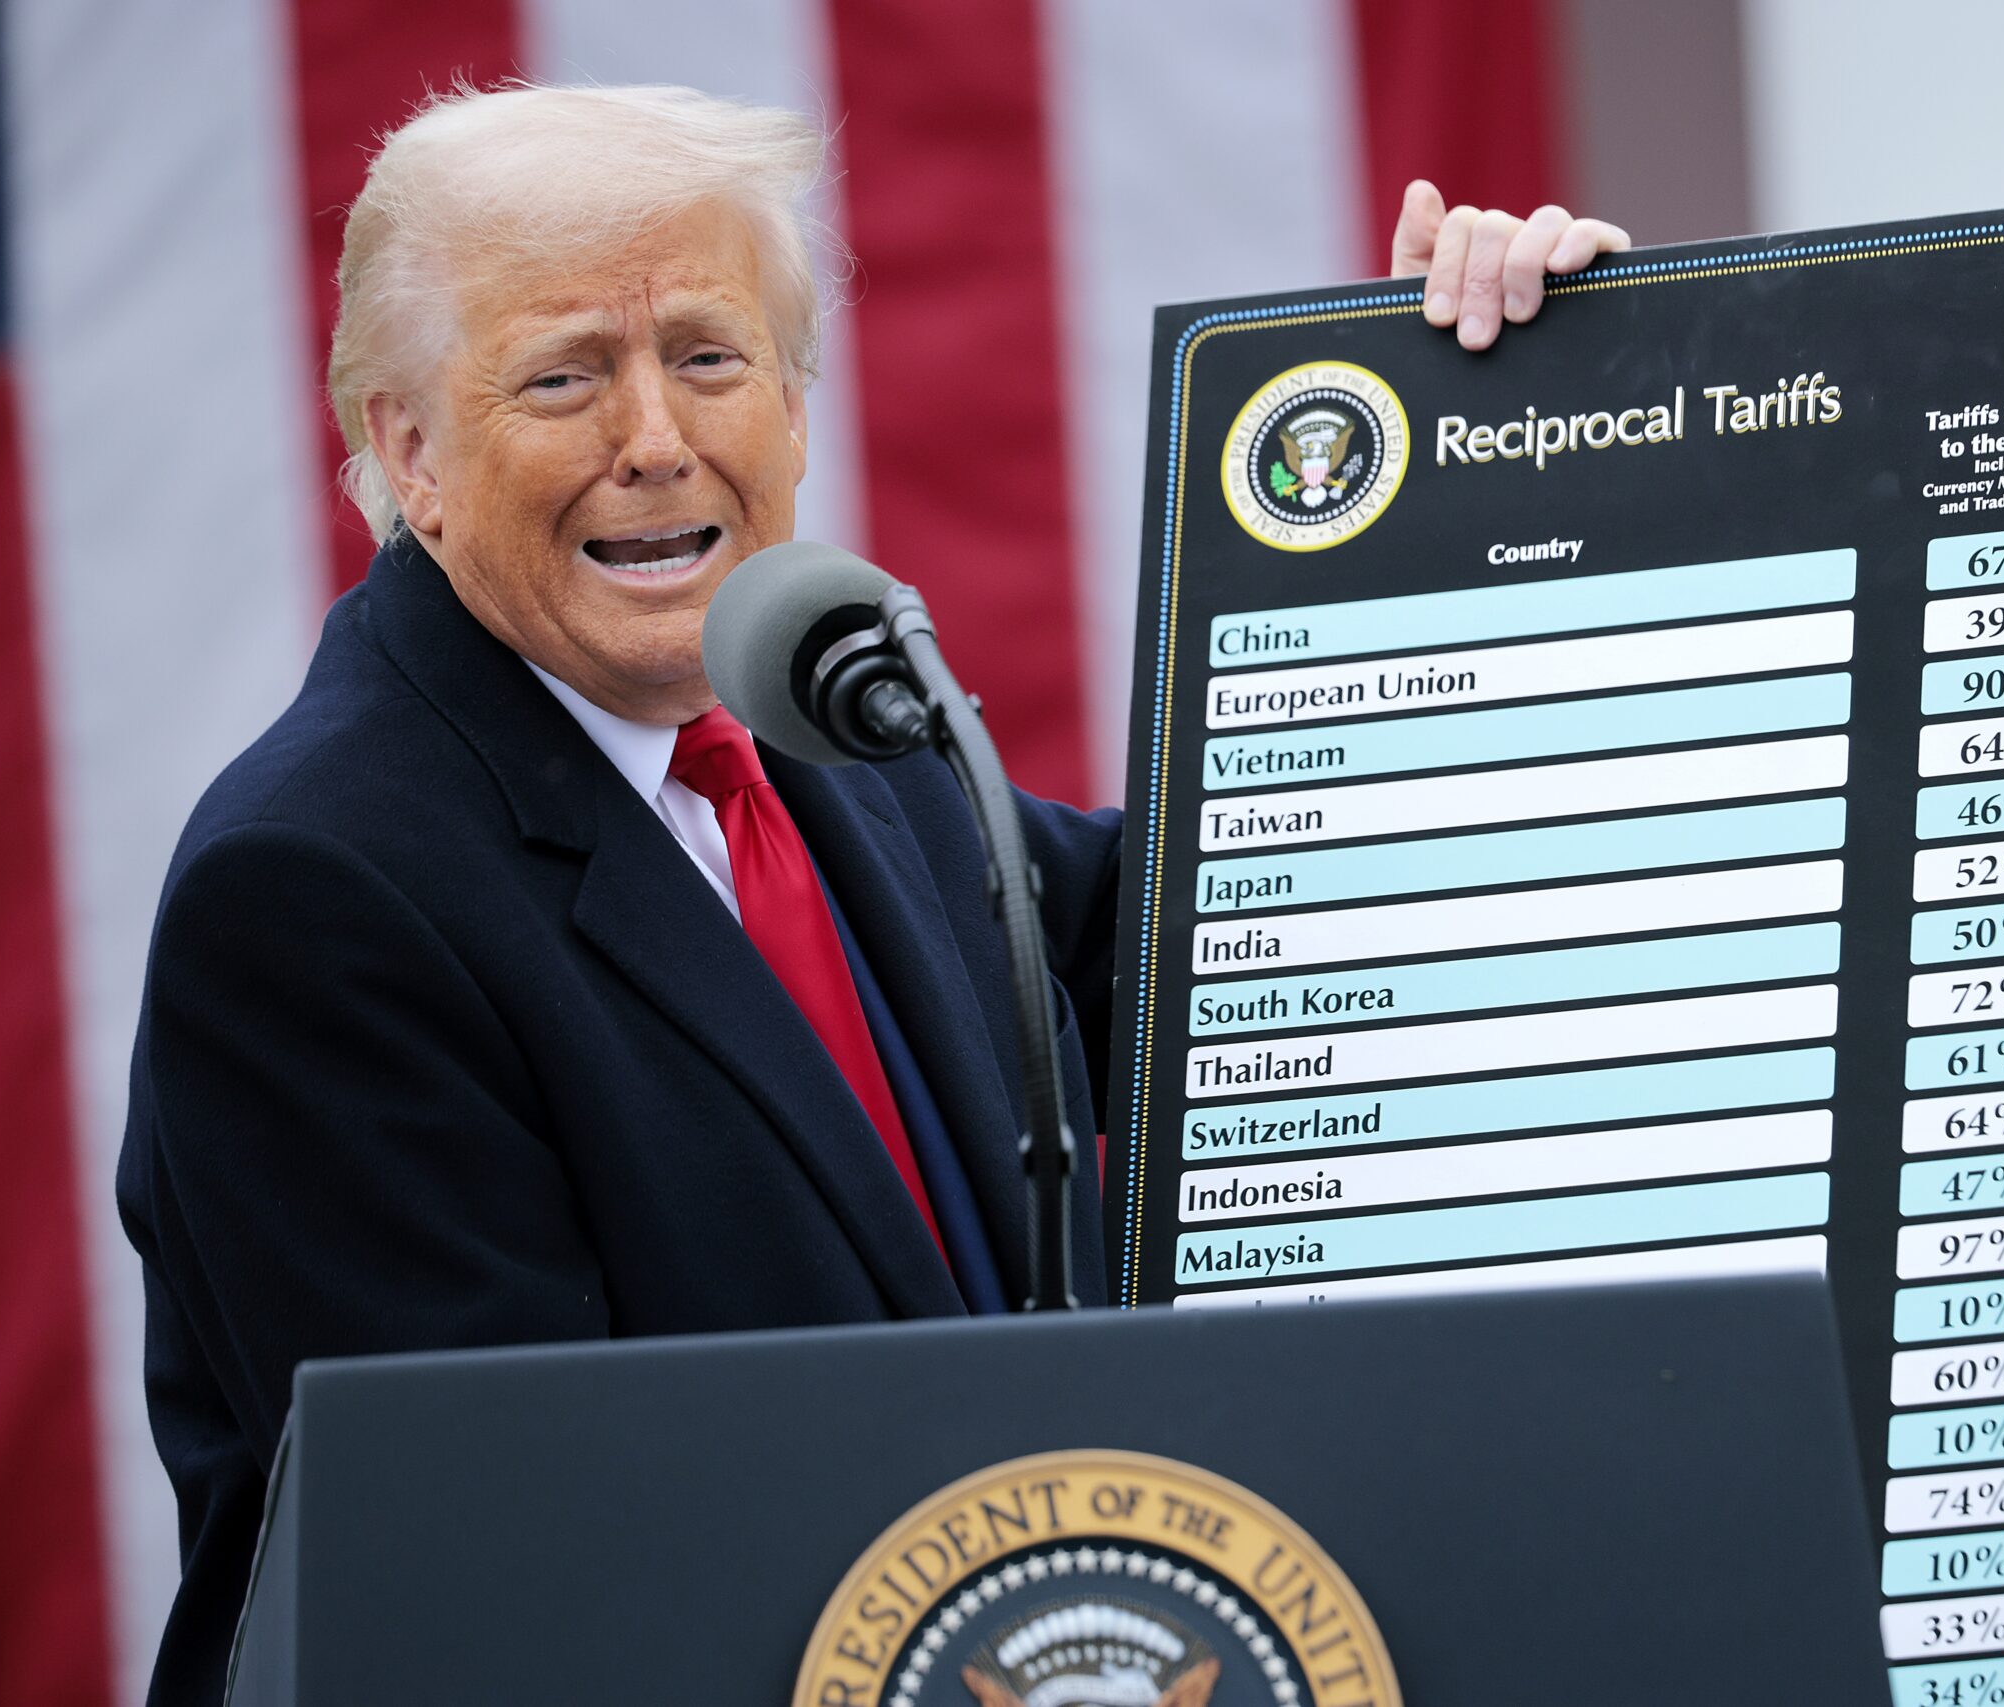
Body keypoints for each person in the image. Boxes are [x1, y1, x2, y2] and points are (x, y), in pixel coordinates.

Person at [115, 82, 1628, 1703]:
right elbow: (517, 1563)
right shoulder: (313, 892)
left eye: (708, 356)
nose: (656, 440)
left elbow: (1257, 951)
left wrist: (1492, 444)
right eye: (563, 377)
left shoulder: (838, 721)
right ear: (407, 450)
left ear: (797, 404)